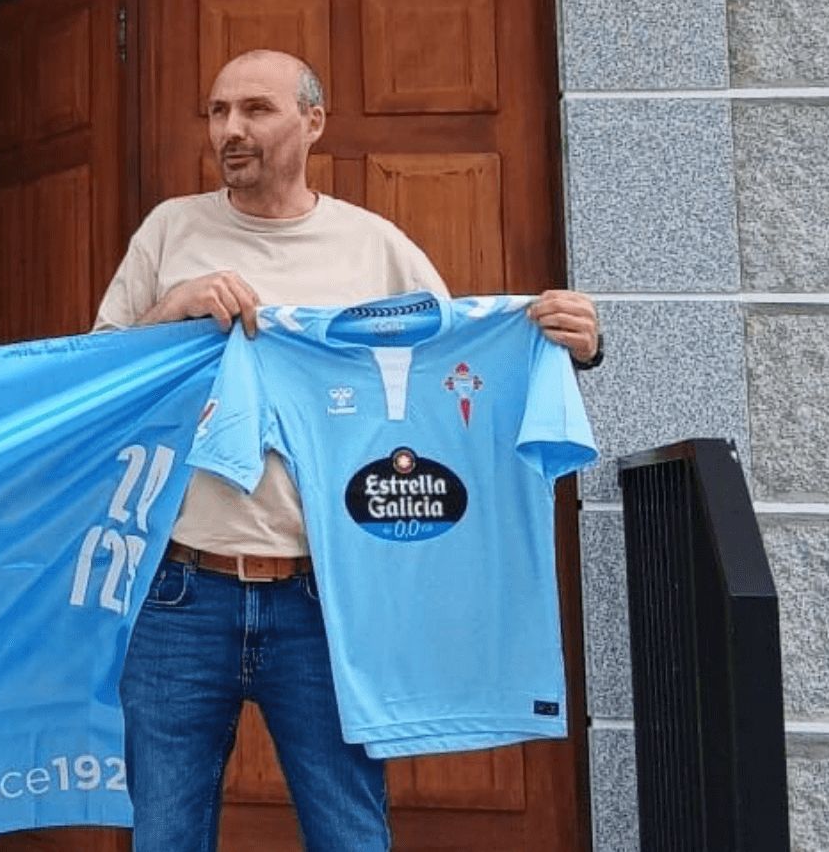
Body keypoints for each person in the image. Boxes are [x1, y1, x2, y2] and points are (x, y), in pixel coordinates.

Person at [96, 49, 600, 852]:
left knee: (350, 831)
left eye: (256, 109)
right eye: (218, 111)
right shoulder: (169, 231)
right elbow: (98, 383)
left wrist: (564, 347)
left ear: (314, 122)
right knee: (165, 834)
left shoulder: (374, 248)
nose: (230, 129)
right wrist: (176, 307)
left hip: (330, 597)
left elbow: (453, 379)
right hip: (180, 591)